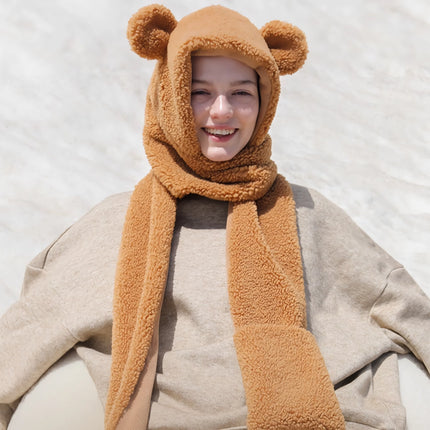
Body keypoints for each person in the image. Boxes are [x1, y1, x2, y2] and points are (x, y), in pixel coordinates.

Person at [1, 4, 429, 430]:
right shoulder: (118, 222)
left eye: (241, 92)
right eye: (198, 92)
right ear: (168, 97)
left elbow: (398, 300)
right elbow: (36, 322)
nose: (221, 111)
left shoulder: (308, 214)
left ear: (265, 101)